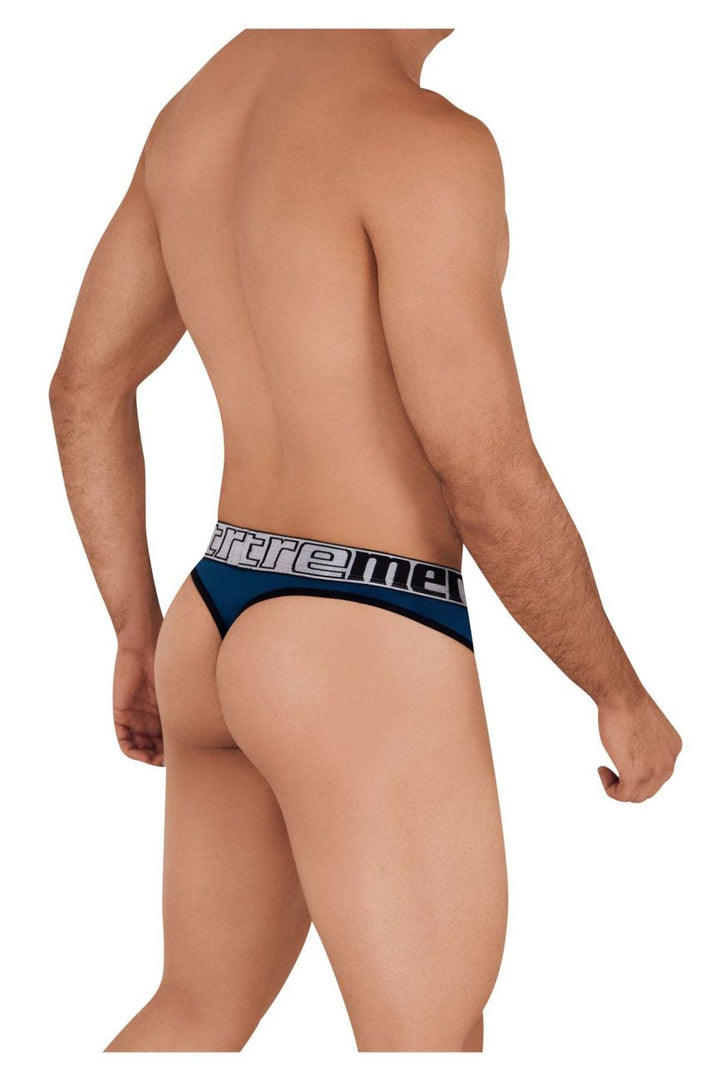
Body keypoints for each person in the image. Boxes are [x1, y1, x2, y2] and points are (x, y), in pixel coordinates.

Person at [49, 28, 682, 1053]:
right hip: (358, 631)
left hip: (214, 612)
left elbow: (84, 384)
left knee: (197, 1010)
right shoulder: (421, 143)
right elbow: (487, 477)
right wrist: (617, 691)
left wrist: (135, 628)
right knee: (427, 1045)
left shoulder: (197, 111)